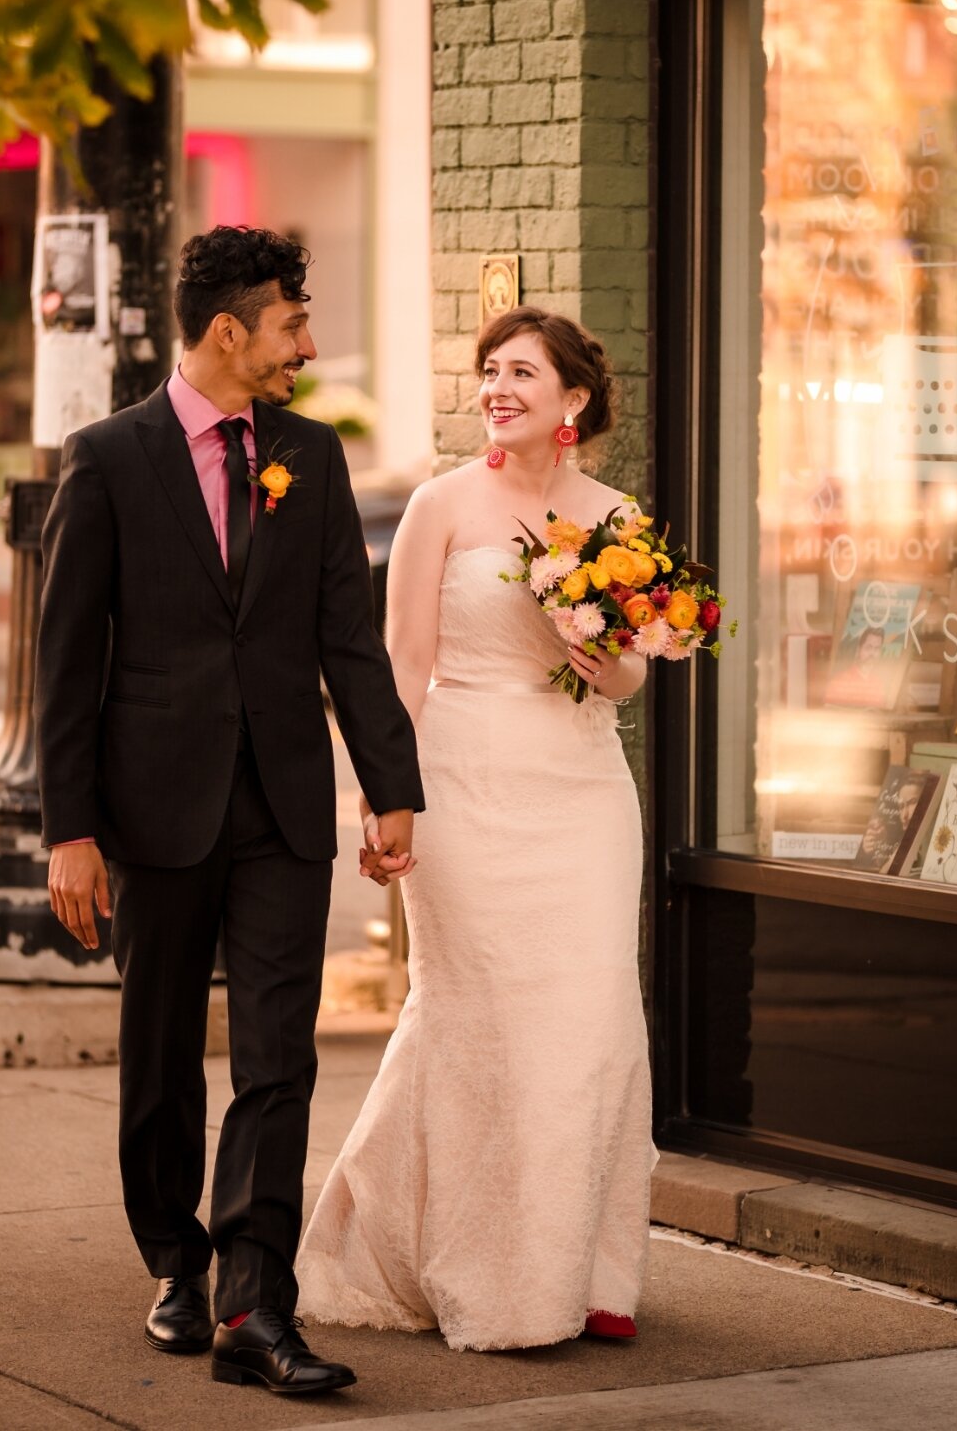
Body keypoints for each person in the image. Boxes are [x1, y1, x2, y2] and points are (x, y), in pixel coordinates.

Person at [36, 226, 424, 1398]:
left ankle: (257, 1303)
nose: (306, 347)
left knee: (276, 1058)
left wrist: (391, 784)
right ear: (227, 330)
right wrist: (70, 829)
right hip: (150, 808)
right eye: (291, 325)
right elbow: (63, 662)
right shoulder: (107, 459)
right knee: (161, 1057)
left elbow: (346, 637)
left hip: (284, 809)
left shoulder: (308, 452)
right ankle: (175, 1257)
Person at [296, 305, 654, 1351]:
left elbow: (632, 674)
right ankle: (488, 1276)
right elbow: (398, 667)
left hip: (584, 792)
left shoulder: (617, 517)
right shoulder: (441, 506)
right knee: (480, 1024)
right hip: (463, 784)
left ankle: (590, 1269)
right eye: (489, 371)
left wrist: (611, 662)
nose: (498, 388)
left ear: (572, 402)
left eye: (522, 374)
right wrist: (383, 797)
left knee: (590, 1026)